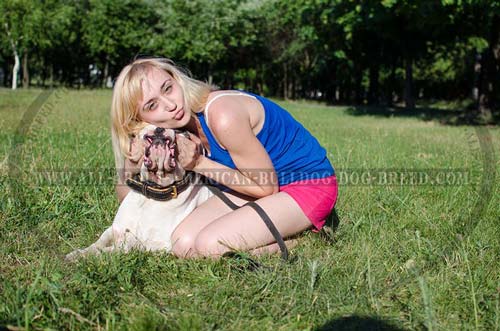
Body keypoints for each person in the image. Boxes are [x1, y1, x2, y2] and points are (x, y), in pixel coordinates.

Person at [111, 57, 338, 258]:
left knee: (209, 245)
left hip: (306, 185)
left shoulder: (222, 115)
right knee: (183, 245)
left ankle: (300, 241)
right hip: (253, 186)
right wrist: (133, 160)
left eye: (168, 88)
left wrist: (198, 163)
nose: (171, 105)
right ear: (140, 120)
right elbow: (125, 198)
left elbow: (267, 188)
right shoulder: (176, 130)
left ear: (176, 79)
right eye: (153, 105)